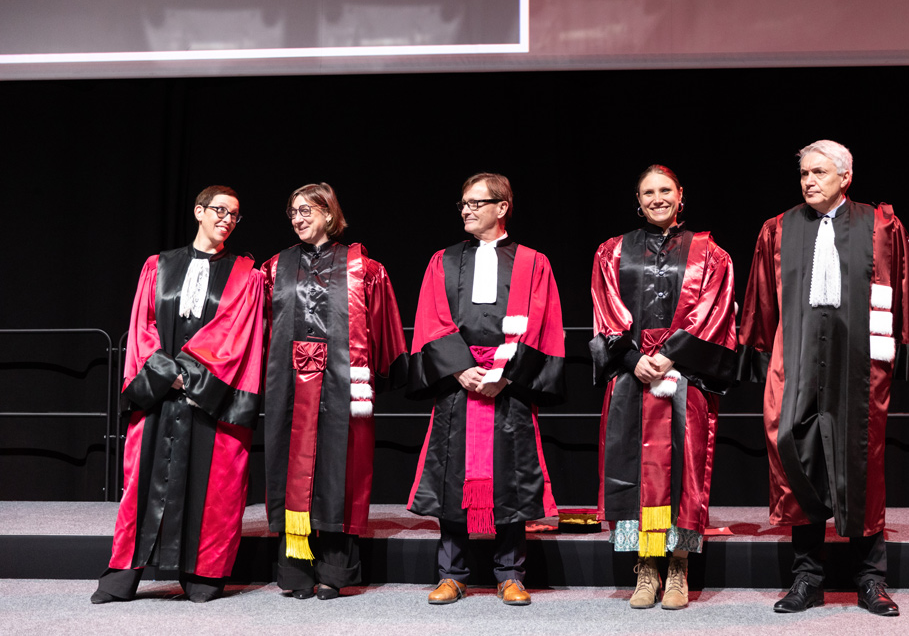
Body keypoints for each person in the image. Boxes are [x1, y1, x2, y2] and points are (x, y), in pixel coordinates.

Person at [738, 140, 909, 617]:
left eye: (819, 172)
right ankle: (807, 578)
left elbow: (902, 287)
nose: (808, 181)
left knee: (860, 463)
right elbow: (761, 297)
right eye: (803, 173)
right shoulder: (777, 229)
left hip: (859, 367)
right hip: (797, 362)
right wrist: (764, 363)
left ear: (845, 177)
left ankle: (870, 579)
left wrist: (897, 356)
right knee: (797, 459)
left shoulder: (880, 225)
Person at [92, 185, 264, 604]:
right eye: (220, 210)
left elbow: (235, 333)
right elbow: (141, 325)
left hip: (208, 396)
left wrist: (187, 375)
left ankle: (201, 574)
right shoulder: (159, 266)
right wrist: (165, 373)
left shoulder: (247, 276)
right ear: (199, 211)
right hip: (158, 393)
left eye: (235, 215)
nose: (227, 219)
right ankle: (123, 575)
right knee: (142, 483)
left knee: (215, 486)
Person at [406, 173, 565, 606]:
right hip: (460, 386)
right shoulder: (443, 259)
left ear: (502, 206)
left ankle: (510, 573)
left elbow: (544, 323)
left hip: (508, 385)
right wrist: (461, 371)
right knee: (450, 476)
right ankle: (451, 573)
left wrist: (506, 374)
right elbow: (432, 317)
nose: (467, 210)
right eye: (463, 204)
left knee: (510, 477)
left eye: (476, 203)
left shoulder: (534, 262)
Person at [590, 165, 738, 610]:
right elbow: (606, 308)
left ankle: (678, 567)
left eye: (665, 190)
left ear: (680, 196)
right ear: (638, 200)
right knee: (635, 470)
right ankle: (646, 566)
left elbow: (715, 311)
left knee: (683, 472)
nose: (657, 198)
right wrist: (635, 360)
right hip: (630, 377)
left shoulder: (711, 252)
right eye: (648, 192)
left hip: (684, 377)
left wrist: (670, 355)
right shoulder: (612, 251)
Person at [262, 182, 408, 600]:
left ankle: (336, 570)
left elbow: (382, 323)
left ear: (329, 213)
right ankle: (295, 572)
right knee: (291, 472)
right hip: (288, 384)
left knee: (339, 471)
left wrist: (388, 370)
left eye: (307, 210)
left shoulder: (364, 267)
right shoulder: (274, 268)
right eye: (292, 211)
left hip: (342, 382)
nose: (299, 218)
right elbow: (260, 329)